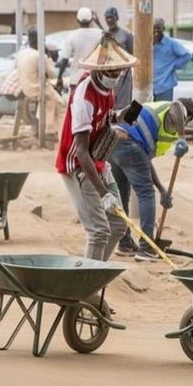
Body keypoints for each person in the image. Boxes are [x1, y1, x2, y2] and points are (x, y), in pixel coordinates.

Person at [56, 35, 136, 263]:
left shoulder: (107, 91)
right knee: (99, 231)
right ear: (99, 70)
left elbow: (104, 119)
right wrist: (103, 194)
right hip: (79, 167)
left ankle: (95, 271)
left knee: (119, 225)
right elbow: (81, 151)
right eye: (112, 72)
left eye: (119, 72)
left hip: (98, 162)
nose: (116, 77)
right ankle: (84, 286)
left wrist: (122, 116)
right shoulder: (84, 97)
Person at [110, 98, 193, 259]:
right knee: (146, 194)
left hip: (113, 141)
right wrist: (182, 137)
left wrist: (162, 190)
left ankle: (125, 244)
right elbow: (176, 105)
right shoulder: (174, 109)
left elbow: (144, 163)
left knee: (122, 195)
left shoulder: (160, 125)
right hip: (128, 140)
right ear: (187, 118)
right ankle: (147, 248)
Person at [16, 27, 66, 127]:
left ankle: (42, 126)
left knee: (49, 100)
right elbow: (53, 74)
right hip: (38, 90)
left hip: (25, 89)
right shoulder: (40, 56)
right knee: (61, 105)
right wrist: (49, 57)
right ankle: (53, 132)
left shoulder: (21, 53)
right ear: (40, 41)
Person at [151, 18, 192, 102]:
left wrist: (174, 65)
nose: (156, 30)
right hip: (150, 87)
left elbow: (187, 55)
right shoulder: (149, 43)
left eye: (158, 28)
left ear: (164, 29)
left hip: (165, 86)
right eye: (154, 28)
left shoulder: (171, 43)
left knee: (163, 112)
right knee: (149, 112)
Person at [104, 7, 135, 108]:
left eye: (111, 17)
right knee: (110, 104)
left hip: (124, 76)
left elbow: (132, 55)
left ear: (116, 18)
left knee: (124, 106)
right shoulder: (105, 36)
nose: (109, 20)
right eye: (107, 18)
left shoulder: (126, 34)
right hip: (109, 75)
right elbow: (102, 56)